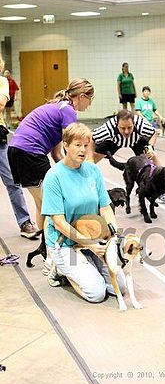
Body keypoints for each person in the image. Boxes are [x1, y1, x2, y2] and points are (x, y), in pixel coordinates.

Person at [41, 122, 125, 302]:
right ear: (65, 145)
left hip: (93, 237)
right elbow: (58, 222)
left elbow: (104, 207)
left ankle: (87, 264)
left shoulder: (93, 170)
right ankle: (60, 269)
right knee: (96, 293)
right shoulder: (53, 177)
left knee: (120, 288)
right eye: (77, 145)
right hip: (65, 243)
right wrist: (89, 244)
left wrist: (115, 233)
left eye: (86, 146)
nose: (82, 150)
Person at [8, 78, 95, 233]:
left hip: (17, 150)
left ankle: (45, 247)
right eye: (90, 99)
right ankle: (53, 250)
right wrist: (84, 170)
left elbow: (57, 154)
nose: (90, 104)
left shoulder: (58, 107)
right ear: (82, 96)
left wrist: (70, 174)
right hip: (30, 152)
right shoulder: (68, 111)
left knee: (41, 204)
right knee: (51, 206)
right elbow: (73, 148)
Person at [91, 109, 165, 205]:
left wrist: (150, 147)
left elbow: (154, 133)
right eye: (123, 128)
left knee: (153, 157)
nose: (126, 131)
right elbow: (92, 139)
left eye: (129, 127)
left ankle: (162, 193)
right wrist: (89, 158)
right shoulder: (107, 129)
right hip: (113, 141)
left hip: (137, 141)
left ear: (134, 123)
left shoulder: (141, 124)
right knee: (90, 161)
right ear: (116, 124)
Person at [0, 56, 37, 238]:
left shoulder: (2, 82)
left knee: (13, 183)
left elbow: (0, 104)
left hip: (0, 142)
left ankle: (25, 222)